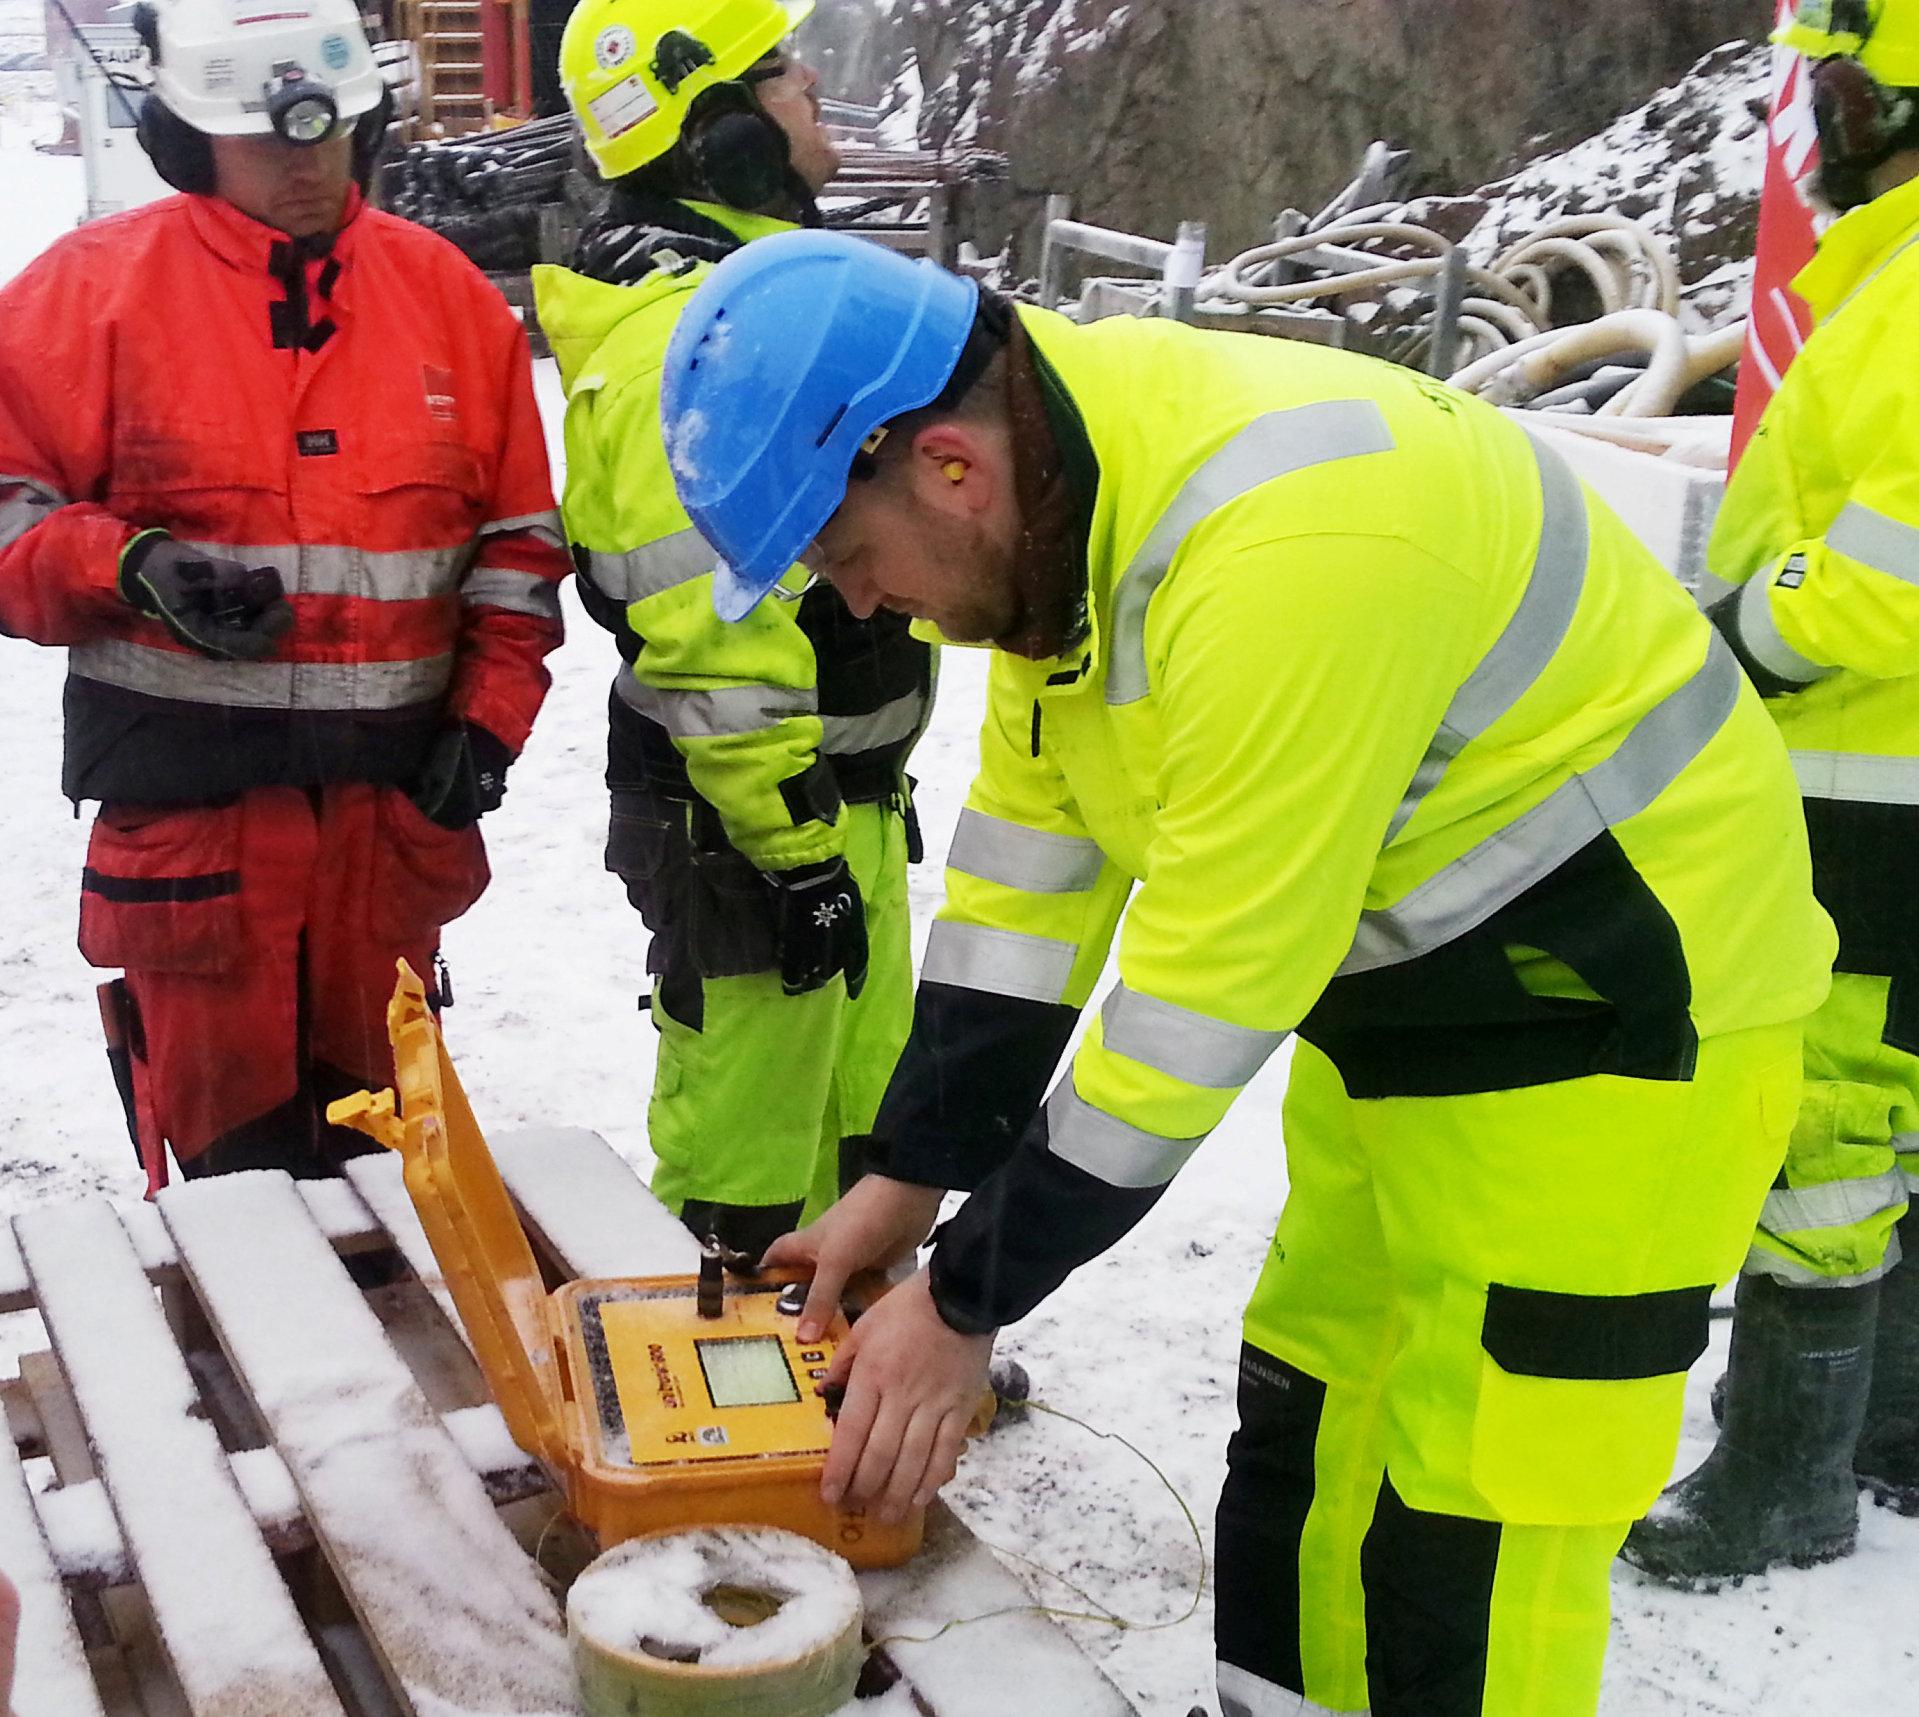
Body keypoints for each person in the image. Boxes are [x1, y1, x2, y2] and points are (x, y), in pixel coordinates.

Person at [657, 230, 1836, 1715]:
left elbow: (1200, 993)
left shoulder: (1290, 549)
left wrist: (961, 1301)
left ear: (944, 466)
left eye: (842, 554)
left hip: (1620, 1023)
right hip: (1417, 1009)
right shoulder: (1065, 510)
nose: (862, 605)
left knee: (1468, 1515)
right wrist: (907, 1174)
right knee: (1307, 1415)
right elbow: (1031, 867)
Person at [0, 0, 567, 1189]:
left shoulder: (449, 302)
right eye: (268, 139)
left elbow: (516, 552)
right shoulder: (84, 298)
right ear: (186, 137)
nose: (305, 165)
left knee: (396, 1188)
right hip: (195, 853)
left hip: (390, 837)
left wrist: (486, 725)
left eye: (328, 132)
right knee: (229, 1208)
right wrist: (128, 567)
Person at [531, 0, 933, 1258]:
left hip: (837, 796)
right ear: (716, 127)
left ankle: (855, 1362)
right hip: (750, 825)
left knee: (864, 1118)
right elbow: (709, 627)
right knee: (746, 1157)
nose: (806, 82)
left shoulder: (757, 296)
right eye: (772, 70)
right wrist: (793, 852)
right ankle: (715, 1417)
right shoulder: (682, 334)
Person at [1622, 0, 1919, 1585]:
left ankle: (1783, 1482)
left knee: (1824, 1136)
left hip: (1871, 797)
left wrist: (1745, 627)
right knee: (1887, 1113)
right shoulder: (1881, 280)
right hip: (1882, 784)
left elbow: (1894, 571)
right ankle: (1887, 1436)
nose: (1801, 117)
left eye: (1824, 83)